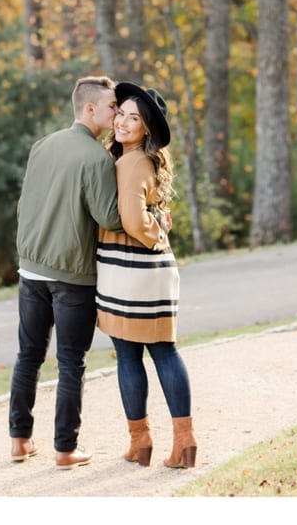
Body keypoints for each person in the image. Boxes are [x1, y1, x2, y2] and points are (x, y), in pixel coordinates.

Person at [8, 75, 123, 469]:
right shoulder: (97, 158)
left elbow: (27, 203)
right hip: (73, 276)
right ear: (89, 108)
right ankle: (65, 448)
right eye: (112, 106)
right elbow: (109, 216)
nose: (117, 112)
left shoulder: (43, 145)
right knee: (71, 361)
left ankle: (20, 441)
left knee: (29, 355)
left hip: (31, 269)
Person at [95, 82, 198, 469]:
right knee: (163, 350)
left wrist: (156, 231)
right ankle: (182, 442)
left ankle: (141, 442)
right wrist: (159, 231)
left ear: (146, 129)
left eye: (133, 118)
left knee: (128, 354)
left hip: (130, 269)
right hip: (153, 270)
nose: (122, 121)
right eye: (121, 113)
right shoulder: (144, 160)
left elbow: (133, 220)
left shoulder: (130, 162)